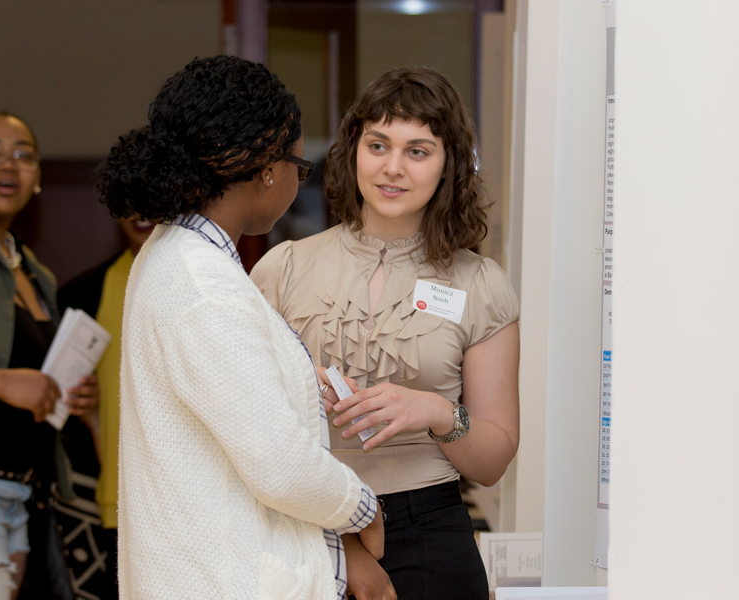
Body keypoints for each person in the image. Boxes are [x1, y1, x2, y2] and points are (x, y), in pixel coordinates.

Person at [95, 55, 383, 600]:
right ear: (267, 167)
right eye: (299, 167)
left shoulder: (175, 253)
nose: (296, 180)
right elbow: (279, 466)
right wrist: (362, 507)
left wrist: (297, 385)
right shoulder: (203, 283)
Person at [250, 66, 520, 600]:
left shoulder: (480, 282)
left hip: (430, 533)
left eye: (417, 151)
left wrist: (437, 412)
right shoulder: (283, 270)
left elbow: (492, 463)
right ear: (354, 150)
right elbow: (247, 428)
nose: (393, 167)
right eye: (378, 145)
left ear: (448, 164)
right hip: (307, 529)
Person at [0, 112, 98, 600]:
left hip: (28, 494)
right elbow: (8, 380)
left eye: (23, 156)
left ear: (37, 177)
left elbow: (37, 382)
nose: (8, 165)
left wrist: (70, 394)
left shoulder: (34, 271)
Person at [56, 216, 154, 600]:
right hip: (113, 500)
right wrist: (79, 406)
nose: (140, 209)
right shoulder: (83, 293)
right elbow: (54, 404)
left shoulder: (213, 282)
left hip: (194, 502)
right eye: (127, 197)